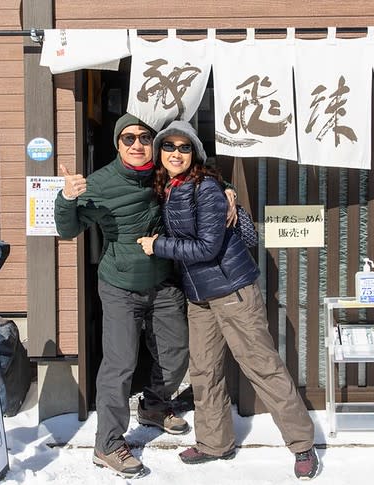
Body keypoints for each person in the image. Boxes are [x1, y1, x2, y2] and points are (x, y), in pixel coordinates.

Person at [54, 113, 235, 480]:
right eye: (128, 138)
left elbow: (197, 173)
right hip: (119, 285)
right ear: (117, 144)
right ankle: (108, 444)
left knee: (177, 353)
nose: (136, 144)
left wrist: (227, 187)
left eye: (144, 138)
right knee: (119, 365)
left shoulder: (162, 174)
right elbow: (68, 229)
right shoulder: (100, 183)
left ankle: (153, 405)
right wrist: (65, 199)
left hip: (163, 280)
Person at [137, 120, 320, 481]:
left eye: (184, 147)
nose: (176, 153)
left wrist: (157, 245)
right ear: (160, 153)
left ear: (196, 154)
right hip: (199, 295)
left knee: (262, 366)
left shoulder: (204, 187)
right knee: (205, 370)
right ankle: (214, 442)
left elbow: (208, 246)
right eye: (169, 147)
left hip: (232, 290)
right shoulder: (169, 186)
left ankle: (302, 444)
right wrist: (229, 187)